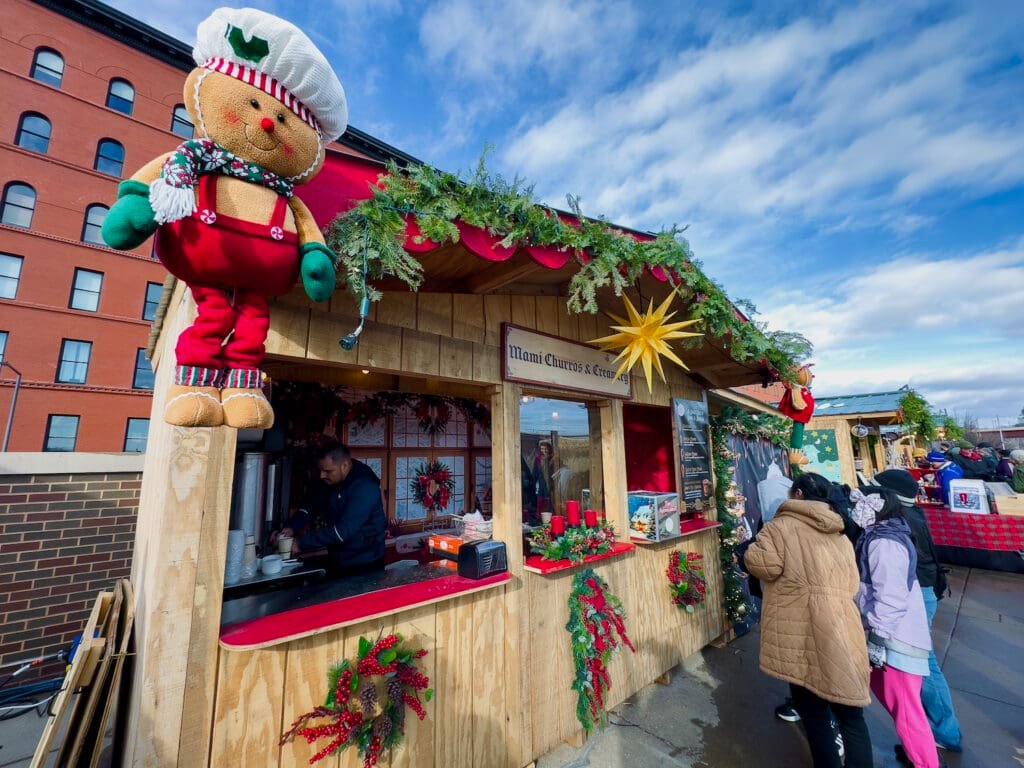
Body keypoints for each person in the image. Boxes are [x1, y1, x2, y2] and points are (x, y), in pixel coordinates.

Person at [740, 473, 873, 768]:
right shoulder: (840, 530)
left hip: (802, 624)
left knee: (814, 713)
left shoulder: (782, 526)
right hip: (842, 623)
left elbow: (765, 566)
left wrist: (746, 552)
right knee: (851, 715)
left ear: (797, 494)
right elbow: (853, 579)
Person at [870, 470, 961, 753]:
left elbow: (891, 581)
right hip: (922, 590)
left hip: (915, 594)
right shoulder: (911, 516)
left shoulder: (897, 524)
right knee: (917, 666)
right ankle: (932, 731)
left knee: (919, 665)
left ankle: (942, 732)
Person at [853, 487, 941, 768]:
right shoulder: (886, 534)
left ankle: (925, 761)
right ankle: (918, 752)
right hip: (895, 631)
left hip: (896, 638)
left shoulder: (884, 543)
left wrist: (878, 636)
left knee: (906, 709)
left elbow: (889, 596)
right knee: (901, 705)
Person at [275, 442, 386, 577]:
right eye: (320, 470)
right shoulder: (328, 480)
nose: (322, 475)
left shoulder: (364, 486)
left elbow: (343, 532)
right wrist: (292, 527)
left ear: (344, 466)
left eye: (327, 471)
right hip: (338, 558)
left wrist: (300, 543)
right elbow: (309, 505)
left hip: (365, 562)